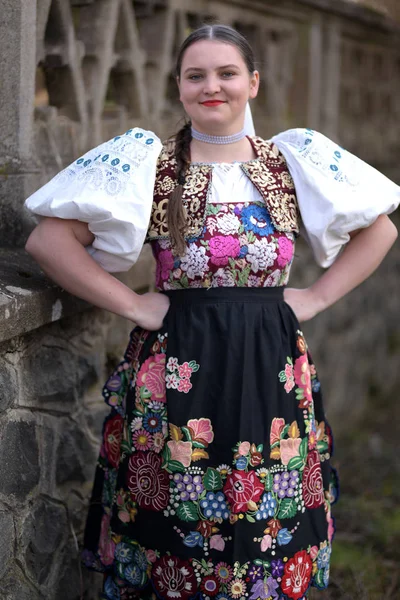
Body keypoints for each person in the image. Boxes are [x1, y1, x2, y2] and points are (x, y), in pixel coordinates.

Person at [24, 24, 398, 600]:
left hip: (270, 361)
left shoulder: (291, 163)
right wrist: (133, 304)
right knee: (174, 509)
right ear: (179, 86)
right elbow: (48, 241)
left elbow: (380, 229)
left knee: (267, 517)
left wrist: (317, 297)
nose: (211, 87)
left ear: (253, 82)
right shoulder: (149, 167)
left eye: (226, 74)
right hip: (179, 364)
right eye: (196, 75)